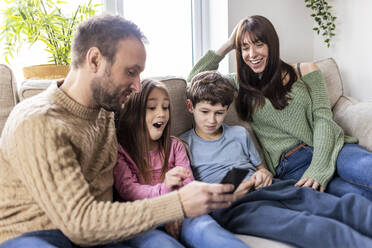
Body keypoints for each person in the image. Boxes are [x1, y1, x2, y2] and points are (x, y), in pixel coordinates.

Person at [0, 15, 237, 248]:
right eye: (131, 72)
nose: (137, 86)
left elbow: (103, 209)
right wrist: (176, 204)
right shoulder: (39, 121)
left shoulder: (104, 113)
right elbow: (81, 222)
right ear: (94, 60)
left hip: (102, 231)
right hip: (35, 235)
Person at [188, 15, 372, 200]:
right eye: (245, 47)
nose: (252, 54)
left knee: (367, 169)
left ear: (272, 44)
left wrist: (318, 167)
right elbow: (194, 81)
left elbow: (323, 119)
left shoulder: (306, 71)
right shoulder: (239, 83)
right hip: (291, 164)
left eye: (259, 44)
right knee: (359, 198)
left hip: (331, 146)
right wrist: (228, 43)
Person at [179, 71, 372, 248]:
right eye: (205, 112)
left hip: (273, 187)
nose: (212, 120)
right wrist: (231, 194)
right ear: (190, 106)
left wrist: (263, 174)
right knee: (311, 226)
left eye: (219, 113)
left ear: (227, 109)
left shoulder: (239, 134)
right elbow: (188, 193)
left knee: (342, 205)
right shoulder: (182, 145)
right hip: (235, 205)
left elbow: (263, 169)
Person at [114, 78, 249, 248]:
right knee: (162, 244)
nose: (162, 113)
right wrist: (168, 195)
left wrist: (177, 209)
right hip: (141, 220)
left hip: (181, 213)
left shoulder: (175, 146)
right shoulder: (121, 150)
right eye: (152, 107)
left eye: (165, 107)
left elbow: (188, 184)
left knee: (206, 229)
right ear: (134, 111)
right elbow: (130, 191)